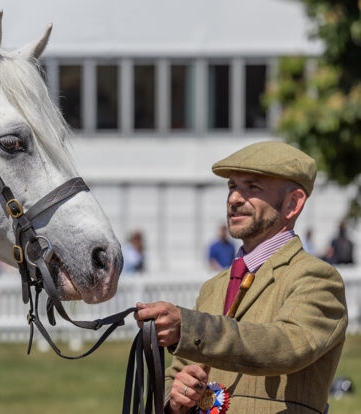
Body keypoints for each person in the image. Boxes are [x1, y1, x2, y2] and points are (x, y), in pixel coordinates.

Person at [134, 141, 347, 414]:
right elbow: (178, 375)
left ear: (293, 203)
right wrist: (175, 399)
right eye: (232, 187)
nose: (234, 198)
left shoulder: (316, 278)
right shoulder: (213, 287)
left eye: (252, 187)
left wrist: (191, 327)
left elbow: (287, 345)